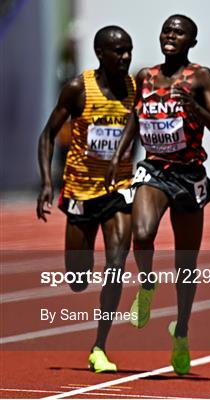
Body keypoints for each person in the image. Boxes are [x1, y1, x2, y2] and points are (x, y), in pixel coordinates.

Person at [105, 15, 210, 375]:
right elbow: (134, 117)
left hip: (189, 175)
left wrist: (196, 109)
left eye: (179, 32)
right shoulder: (145, 75)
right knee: (141, 233)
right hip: (154, 168)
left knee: (185, 264)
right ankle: (146, 282)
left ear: (192, 41)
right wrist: (119, 156)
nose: (170, 36)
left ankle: (182, 331)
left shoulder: (201, 77)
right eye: (166, 31)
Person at [37, 26, 136, 373]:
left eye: (129, 50)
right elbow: (48, 135)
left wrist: (126, 161)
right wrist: (48, 183)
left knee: (117, 261)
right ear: (100, 53)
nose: (125, 57)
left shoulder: (133, 89)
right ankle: (82, 274)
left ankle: (100, 347)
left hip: (118, 189)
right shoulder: (79, 89)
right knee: (78, 279)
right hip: (80, 192)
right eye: (118, 51)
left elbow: (138, 126)